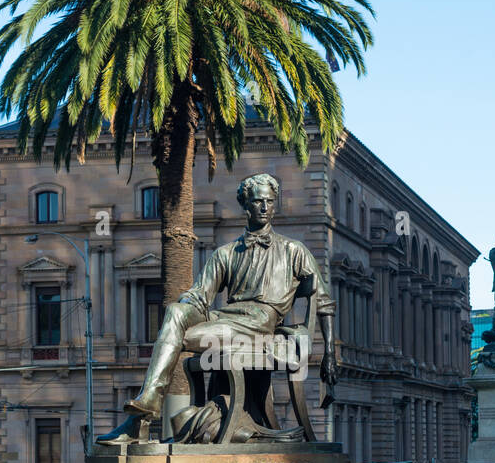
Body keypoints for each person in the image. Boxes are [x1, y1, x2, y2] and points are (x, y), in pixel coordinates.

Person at [120, 173, 337, 424]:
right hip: (227, 319)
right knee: (175, 312)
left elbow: (324, 302)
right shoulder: (226, 253)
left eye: (269, 201)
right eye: (258, 202)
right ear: (245, 205)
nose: (265, 207)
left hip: (261, 323)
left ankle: (143, 415)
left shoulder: (294, 250)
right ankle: (149, 401)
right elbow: (201, 294)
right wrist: (184, 306)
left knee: (180, 337)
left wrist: (328, 353)